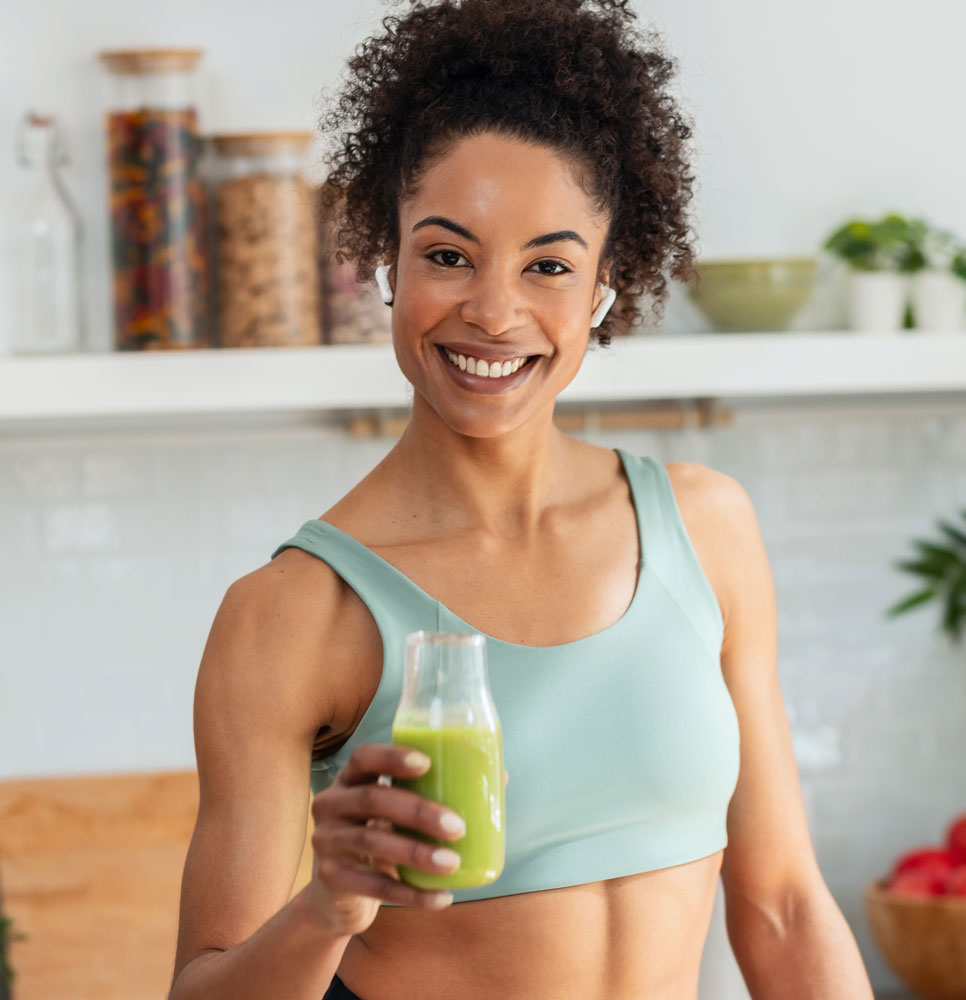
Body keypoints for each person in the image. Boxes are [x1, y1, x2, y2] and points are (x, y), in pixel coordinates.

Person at [168, 1, 875, 998]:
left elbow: (784, 909)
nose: (494, 312)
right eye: (448, 255)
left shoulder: (702, 529)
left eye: (548, 265)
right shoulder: (291, 613)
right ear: (387, 262)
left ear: (603, 288)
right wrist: (326, 907)